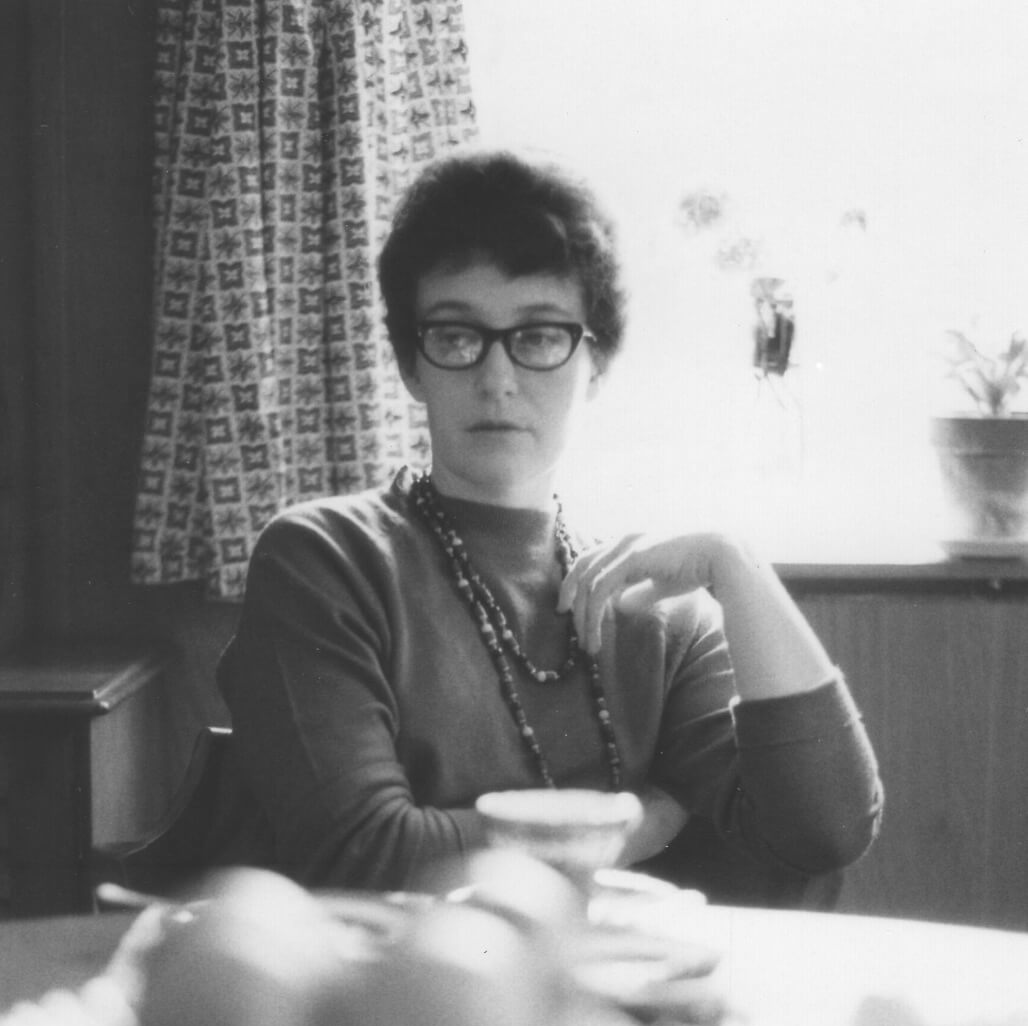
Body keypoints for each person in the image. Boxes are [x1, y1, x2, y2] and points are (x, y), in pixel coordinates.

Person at [216, 148, 883, 900]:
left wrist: (736, 566)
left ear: (592, 363)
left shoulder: (658, 607)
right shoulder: (324, 557)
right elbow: (364, 852)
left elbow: (824, 834)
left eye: (537, 336)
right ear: (411, 364)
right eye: (456, 335)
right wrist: (640, 820)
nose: (496, 378)